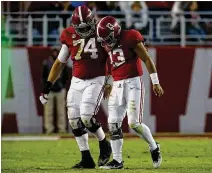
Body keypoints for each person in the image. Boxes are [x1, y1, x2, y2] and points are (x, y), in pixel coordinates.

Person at [39, 6, 111, 169]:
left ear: (93, 21)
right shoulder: (68, 34)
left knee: (86, 116)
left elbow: (112, 57)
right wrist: (47, 86)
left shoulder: (101, 31)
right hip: (77, 80)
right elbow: (59, 62)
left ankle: (103, 142)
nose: (85, 30)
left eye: (88, 26)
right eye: (82, 27)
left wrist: (109, 81)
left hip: (96, 79)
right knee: (73, 119)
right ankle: (86, 158)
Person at [97, 16, 164, 169]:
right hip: (117, 84)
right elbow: (109, 62)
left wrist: (155, 82)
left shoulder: (130, 36)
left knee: (134, 123)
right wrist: (108, 82)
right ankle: (117, 161)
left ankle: (154, 147)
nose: (106, 42)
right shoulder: (107, 43)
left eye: (108, 38)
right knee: (113, 123)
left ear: (115, 31)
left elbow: (147, 59)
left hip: (134, 83)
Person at [42, 48, 68, 134]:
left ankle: (62, 128)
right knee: (48, 111)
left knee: (61, 111)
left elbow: (66, 76)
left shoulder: (63, 63)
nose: (55, 54)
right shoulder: (47, 64)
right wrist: (46, 88)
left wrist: (63, 86)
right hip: (50, 90)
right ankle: (49, 129)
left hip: (60, 89)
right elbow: (43, 77)